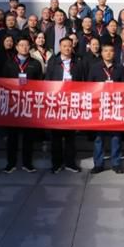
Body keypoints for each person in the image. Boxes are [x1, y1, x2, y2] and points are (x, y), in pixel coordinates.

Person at [1, 37, 44, 174]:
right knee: (12, 137)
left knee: (28, 137)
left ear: (30, 47)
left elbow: (40, 83)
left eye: (26, 45)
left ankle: (27, 163)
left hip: (29, 104)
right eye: (21, 45)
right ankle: (11, 163)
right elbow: (3, 83)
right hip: (13, 104)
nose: (24, 47)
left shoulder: (35, 63)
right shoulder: (9, 63)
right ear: (16, 47)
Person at [45, 37, 83, 173]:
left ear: (72, 47)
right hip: (56, 102)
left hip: (72, 102)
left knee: (70, 136)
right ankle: (56, 164)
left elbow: (83, 82)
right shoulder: (53, 62)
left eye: (69, 46)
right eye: (64, 46)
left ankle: (70, 163)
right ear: (60, 47)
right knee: (56, 136)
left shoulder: (77, 63)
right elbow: (47, 80)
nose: (67, 48)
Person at [87, 43, 124, 174]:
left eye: (111, 51)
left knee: (116, 137)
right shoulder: (95, 68)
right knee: (99, 138)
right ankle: (98, 164)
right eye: (105, 51)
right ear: (102, 53)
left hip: (115, 106)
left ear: (114, 53)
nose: (108, 53)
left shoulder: (119, 68)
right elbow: (89, 86)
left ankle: (116, 163)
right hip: (99, 107)